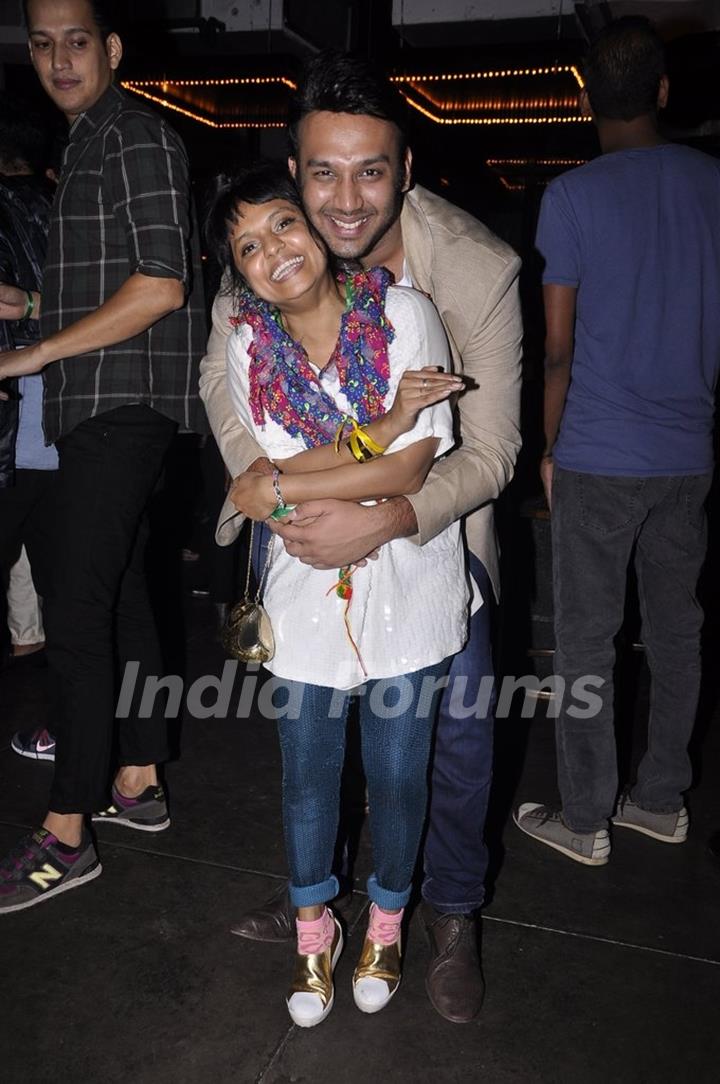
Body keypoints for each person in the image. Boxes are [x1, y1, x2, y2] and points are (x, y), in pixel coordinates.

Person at [200, 52, 522, 1024]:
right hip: (301, 550)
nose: (347, 197)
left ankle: (448, 912)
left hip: (439, 538)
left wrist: (379, 511)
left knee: (450, 745)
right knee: (311, 750)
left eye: (370, 170)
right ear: (293, 174)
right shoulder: (249, 291)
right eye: (323, 173)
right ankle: (317, 903)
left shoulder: (471, 272)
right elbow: (243, 450)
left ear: (406, 169)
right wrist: (291, 501)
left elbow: (488, 450)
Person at [0, 0, 207, 914]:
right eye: (42, 45)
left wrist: (41, 350)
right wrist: (32, 307)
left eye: (76, 41)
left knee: (75, 614)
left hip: (121, 407)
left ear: (111, 49)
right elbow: (107, 283)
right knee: (117, 596)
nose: (59, 58)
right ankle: (136, 779)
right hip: (98, 402)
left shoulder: (133, 136)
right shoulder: (86, 142)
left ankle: (66, 834)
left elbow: (163, 282)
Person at [514, 17, 720, 864]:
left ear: (586, 96)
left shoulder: (573, 196)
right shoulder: (712, 184)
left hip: (601, 449)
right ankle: (662, 800)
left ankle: (587, 817)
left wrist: (551, 447)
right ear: (663, 92)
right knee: (677, 634)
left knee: (589, 641)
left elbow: (558, 348)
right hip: (688, 452)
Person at [0, 94, 57, 754]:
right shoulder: (67, 206)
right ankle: (60, 727)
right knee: (66, 589)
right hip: (69, 424)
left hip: (13, 426)